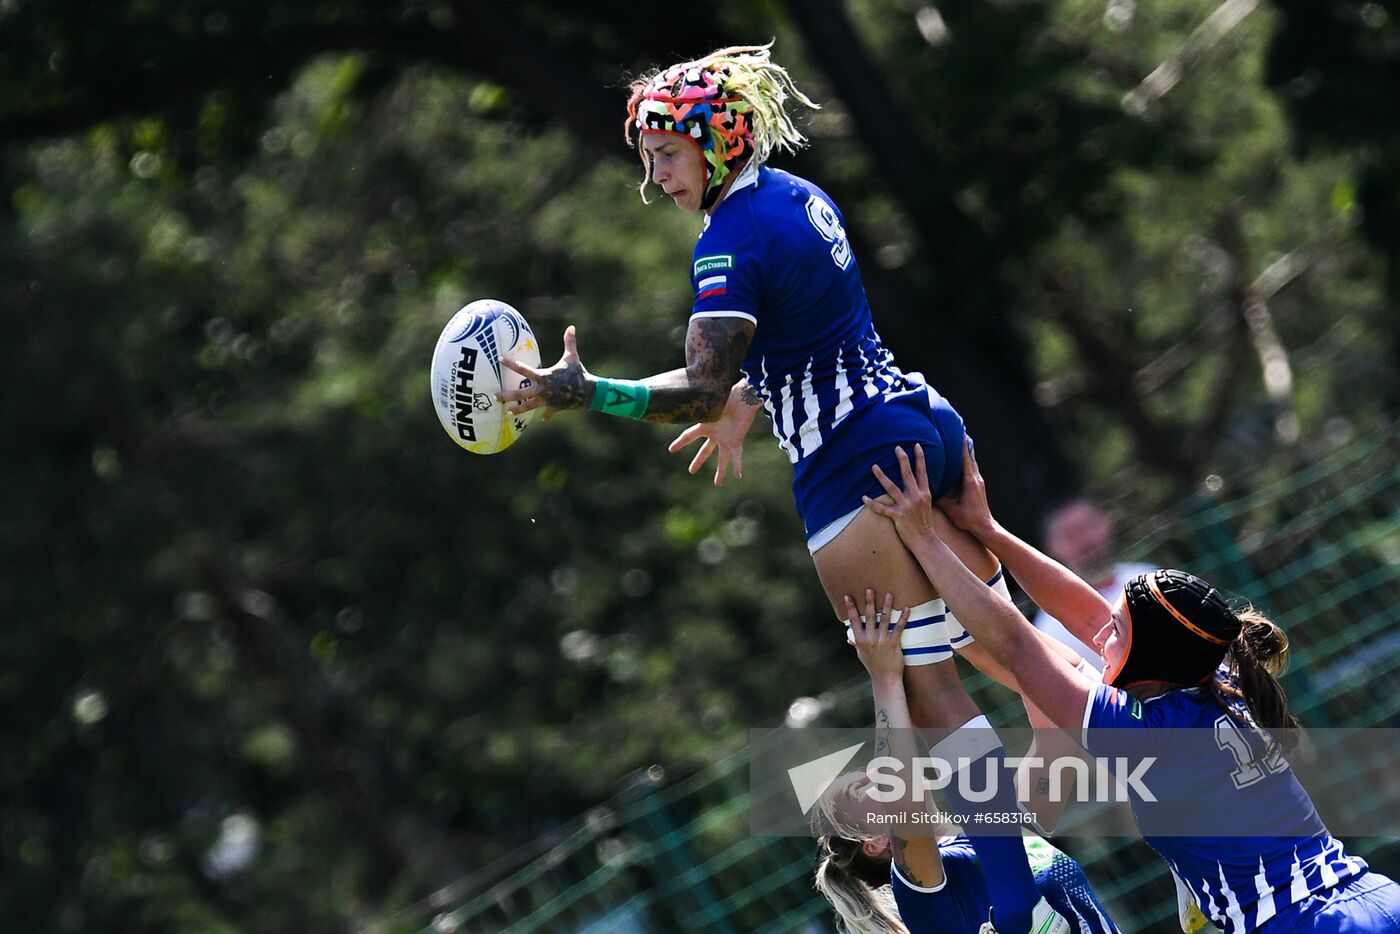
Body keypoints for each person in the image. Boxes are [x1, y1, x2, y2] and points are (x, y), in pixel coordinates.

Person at [495, 44, 1091, 932]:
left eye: (666, 156)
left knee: (933, 693)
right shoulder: (799, 198)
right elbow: (805, 336)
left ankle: (1009, 894)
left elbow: (695, 387)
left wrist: (584, 392)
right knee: (1007, 651)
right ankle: (1159, 742)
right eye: (647, 160)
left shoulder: (729, 240)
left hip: (851, 468)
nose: (656, 180)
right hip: (922, 419)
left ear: (716, 142)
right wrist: (748, 400)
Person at [861, 442, 1400, 934]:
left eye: (1116, 627)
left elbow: (1017, 649)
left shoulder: (1145, 732)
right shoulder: (1219, 679)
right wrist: (988, 530)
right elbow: (1084, 619)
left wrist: (924, 538)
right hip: (1371, 895)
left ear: (1145, 655)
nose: (1101, 632)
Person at [811, 590, 1119, 934]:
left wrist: (974, 624)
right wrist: (884, 678)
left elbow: (1056, 727)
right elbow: (906, 800)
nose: (876, 771)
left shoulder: (998, 823)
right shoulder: (922, 894)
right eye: (861, 788)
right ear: (877, 841)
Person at [1030, 499, 1154, 670]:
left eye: (1089, 526)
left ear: (1106, 523)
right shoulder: (1050, 628)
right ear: (1052, 547)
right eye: (1070, 534)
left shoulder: (1150, 579)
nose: (1086, 540)